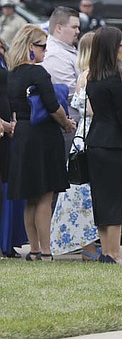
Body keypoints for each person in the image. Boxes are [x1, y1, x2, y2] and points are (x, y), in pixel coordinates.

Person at [6, 25, 76, 260]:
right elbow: (52, 106)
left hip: (23, 133)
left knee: (30, 197)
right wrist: (66, 123)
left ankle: (34, 247)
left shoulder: (12, 74)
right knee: (45, 195)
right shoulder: (38, 73)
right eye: (43, 46)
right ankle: (46, 250)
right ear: (30, 47)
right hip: (43, 135)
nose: (46, 51)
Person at [84, 27, 122, 264]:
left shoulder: (93, 80)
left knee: (101, 199)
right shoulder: (115, 80)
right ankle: (114, 253)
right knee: (116, 198)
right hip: (114, 143)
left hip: (95, 142)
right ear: (112, 49)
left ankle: (106, 250)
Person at [50, 32, 101, 260]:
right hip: (91, 135)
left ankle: (89, 244)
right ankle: (89, 246)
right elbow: (91, 110)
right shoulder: (91, 76)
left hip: (82, 135)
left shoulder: (82, 75)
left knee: (81, 192)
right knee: (86, 192)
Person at [0, 38, 29, 258]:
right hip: (4, 128)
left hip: (8, 133)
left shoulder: (5, 66)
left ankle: (7, 241)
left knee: (8, 183)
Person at [41, 7, 82, 131]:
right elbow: (69, 93)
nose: (78, 31)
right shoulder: (55, 54)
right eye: (74, 27)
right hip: (68, 123)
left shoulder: (66, 50)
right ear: (58, 28)